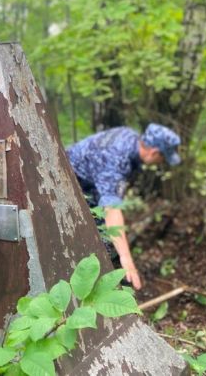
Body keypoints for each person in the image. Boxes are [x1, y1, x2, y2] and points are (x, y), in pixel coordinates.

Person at [66, 123, 181, 290]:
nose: (161, 162)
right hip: (69, 185)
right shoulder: (116, 156)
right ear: (153, 152)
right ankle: (90, 289)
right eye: (162, 158)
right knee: (97, 242)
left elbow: (113, 191)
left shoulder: (130, 138)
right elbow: (111, 209)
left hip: (90, 186)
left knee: (106, 238)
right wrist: (126, 259)